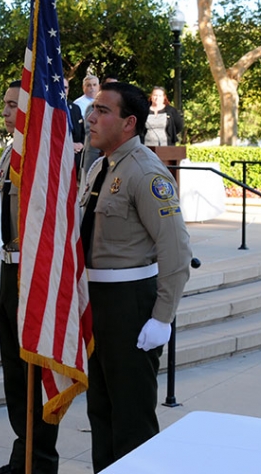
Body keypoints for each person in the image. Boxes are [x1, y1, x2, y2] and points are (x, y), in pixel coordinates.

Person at [81, 81, 191, 471]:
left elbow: (176, 250)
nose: (91, 118)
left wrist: (162, 317)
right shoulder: (100, 167)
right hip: (98, 302)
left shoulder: (145, 172)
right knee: (101, 410)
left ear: (129, 123)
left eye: (103, 111)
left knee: (132, 419)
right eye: (92, 109)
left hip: (130, 304)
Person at [0, 80, 60, 474]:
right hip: (9, 271)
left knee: (34, 371)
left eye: (14, 105)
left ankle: (39, 459)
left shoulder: (40, 154)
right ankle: (22, 453)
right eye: (6, 104)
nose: (7, 112)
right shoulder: (10, 151)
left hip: (32, 272)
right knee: (13, 370)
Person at [64, 78, 85, 171]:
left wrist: (81, 144)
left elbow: (83, 130)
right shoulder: (48, 110)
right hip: (59, 156)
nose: (63, 91)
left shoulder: (75, 108)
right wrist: (68, 145)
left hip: (76, 156)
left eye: (65, 88)